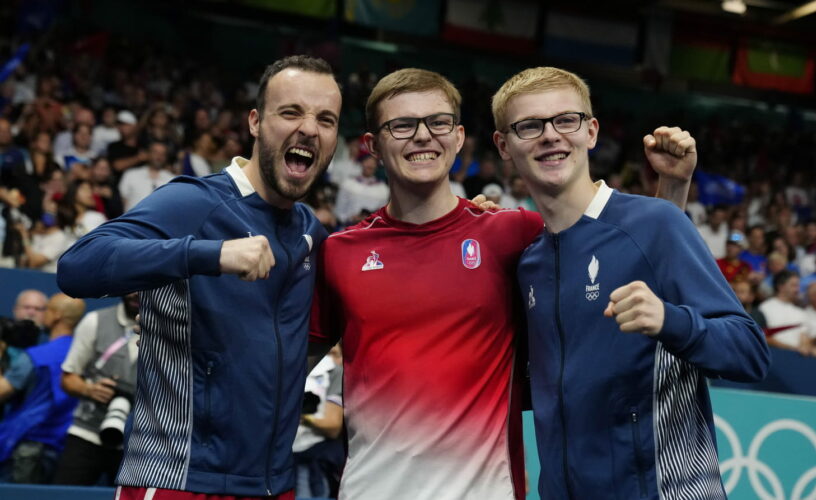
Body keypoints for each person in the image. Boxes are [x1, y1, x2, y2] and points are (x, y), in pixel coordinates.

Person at [308, 68, 691, 500]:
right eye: (402, 125)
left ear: (458, 138)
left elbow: (629, 265)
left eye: (437, 122)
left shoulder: (514, 234)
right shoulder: (340, 252)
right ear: (372, 145)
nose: (422, 136)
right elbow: (291, 368)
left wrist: (673, 189)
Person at [57, 55, 340, 498]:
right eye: (291, 112)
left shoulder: (310, 233)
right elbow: (77, 266)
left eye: (326, 119)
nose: (309, 128)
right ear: (255, 122)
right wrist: (210, 253)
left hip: (271, 485)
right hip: (180, 479)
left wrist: (470, 216)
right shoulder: (193, 202)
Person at [491, 66, 769, 499]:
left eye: (566, 120)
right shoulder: (530, 261)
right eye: (529, 126)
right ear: (503, 146)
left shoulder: (657, 223)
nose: (550, 135)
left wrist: (669, 321)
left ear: (592, 131)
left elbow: (750, 353)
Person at [52, 293, 140, 486]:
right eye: (132, 286)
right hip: (87, 434)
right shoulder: (95, 321)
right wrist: (89, 389)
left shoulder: (167, 330)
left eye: (144, 288)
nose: (136, 293)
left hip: (137, 444)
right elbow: (68, 377)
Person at [0, 293, 86, 483]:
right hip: (63, 448)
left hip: (24, 447)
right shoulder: (83, 356)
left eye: (45, 309)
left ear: (56, 315)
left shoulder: (35, 357)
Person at [292, 344, 344, 498]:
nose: (329, 360)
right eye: (326, 353)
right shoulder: (295, 372)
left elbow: (332, 425)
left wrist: (301, 416)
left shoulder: (336, 373)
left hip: (314, 465)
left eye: (335, 354)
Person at [759, 270, 816, 356]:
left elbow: (804, 337)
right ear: (781, 287)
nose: (797, 289)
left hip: (797, 360)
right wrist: (793, 349)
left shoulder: (800, 312)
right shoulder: (764, 308)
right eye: (794, 285)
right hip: (774, 358)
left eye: (798, 286)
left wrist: (809, 347)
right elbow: (763, 337)